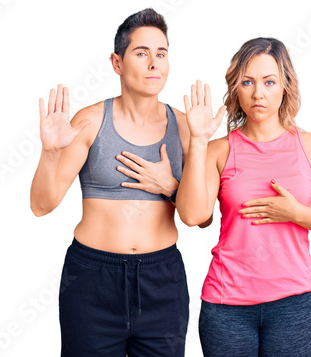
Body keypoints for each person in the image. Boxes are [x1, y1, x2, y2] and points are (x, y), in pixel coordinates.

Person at [30, 8, 196, 357]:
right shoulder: (89, 122)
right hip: (92, 281)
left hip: (162, 282)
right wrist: (49, 152)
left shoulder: (186, 128)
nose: (154, 64)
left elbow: (203, 216)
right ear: (116, 62)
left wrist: (171, 187)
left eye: (161, 53)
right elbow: (41, 205)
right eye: (141, 53)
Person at [176, 37, 311, 357]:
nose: (258, 93)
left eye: (269, 82)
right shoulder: (218, 150)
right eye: (248, 82)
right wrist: (199, 141)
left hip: (292, 305)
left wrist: (295, 212)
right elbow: (193, 216)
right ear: (236, 88)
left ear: (285, 86)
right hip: (226, 305)